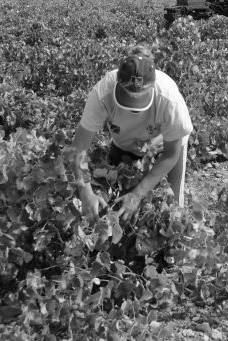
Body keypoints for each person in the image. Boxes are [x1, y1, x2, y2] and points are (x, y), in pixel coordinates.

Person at [69, 45, 193, 221]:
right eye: (127, 96)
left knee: (174, 206)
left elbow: (172, 154)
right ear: (118, 83)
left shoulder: (169, 100)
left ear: (151, 89)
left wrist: (138, 193)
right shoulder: (103, 93)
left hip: (163, 140)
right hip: (124, 139)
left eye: (139, 98)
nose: (133, 106)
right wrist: (85, 191)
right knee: (117, 195)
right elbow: (78, 149)